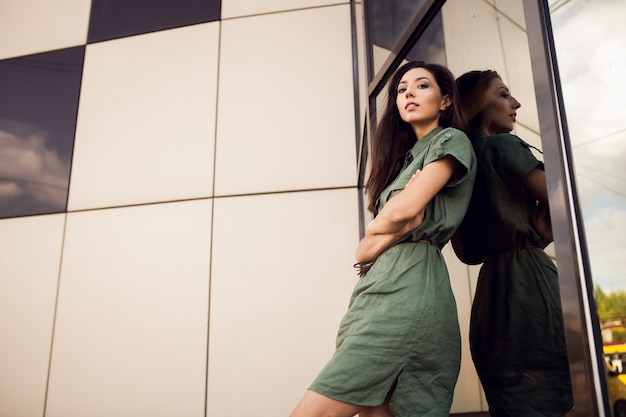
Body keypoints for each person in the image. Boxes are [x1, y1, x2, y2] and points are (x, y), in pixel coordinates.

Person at [290, 61, 476, 417]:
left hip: (409, 288)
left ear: (445, 101)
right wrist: (393, 226)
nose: (408, 93)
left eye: (422, 85)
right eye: (402, 89)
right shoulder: (404, 162)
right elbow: (363, 250)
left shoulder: (450, 140)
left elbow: (398, 214)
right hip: (376, 290)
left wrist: (388, 226)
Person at [452, 69, 574, 416]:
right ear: (479, 104)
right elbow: (561, 195)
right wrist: (541, 233)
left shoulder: (462, 163)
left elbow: (467, 252)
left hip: (490, 300)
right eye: (503, 94)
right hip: (532, 290)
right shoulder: (501, 145)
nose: (515, 102)